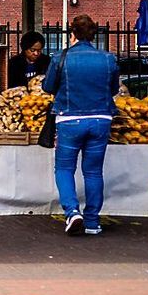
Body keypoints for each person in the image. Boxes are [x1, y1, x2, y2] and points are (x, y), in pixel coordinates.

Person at [43, 15, 119, 237]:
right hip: (101, 120)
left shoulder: (60, 58)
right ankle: (93, 221)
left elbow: (48, 87)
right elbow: (113, 89)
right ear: (94, 34)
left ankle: (72, 212)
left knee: (65, 168)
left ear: (72, 33)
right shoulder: (108, 58)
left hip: (69, 120)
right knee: (94, 172)